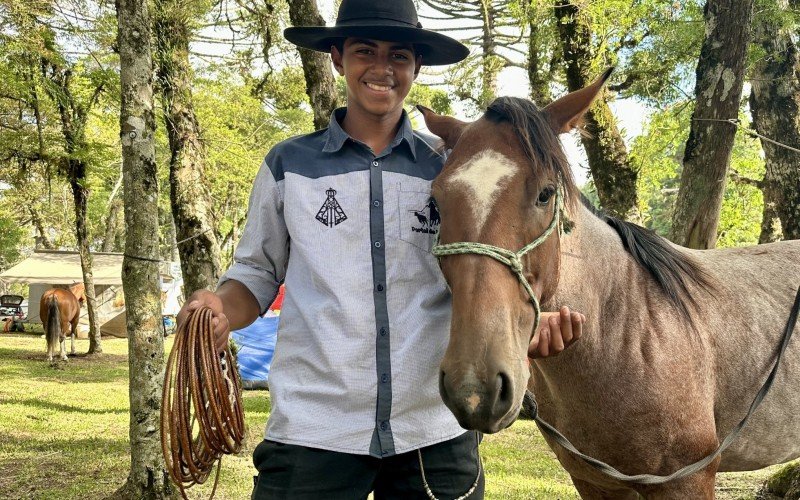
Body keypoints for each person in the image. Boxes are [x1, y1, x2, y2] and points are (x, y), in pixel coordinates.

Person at [177, 0, 585, 497]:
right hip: (313, 428)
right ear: (336, 58)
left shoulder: (452, 170)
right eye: (365, 51)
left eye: (398, 55)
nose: (382, 68)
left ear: (415, 67)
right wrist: (219, 307)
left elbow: (491, 262)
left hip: (433, 426)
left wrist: (527, 319)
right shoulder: (288, 164)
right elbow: (256, 276)